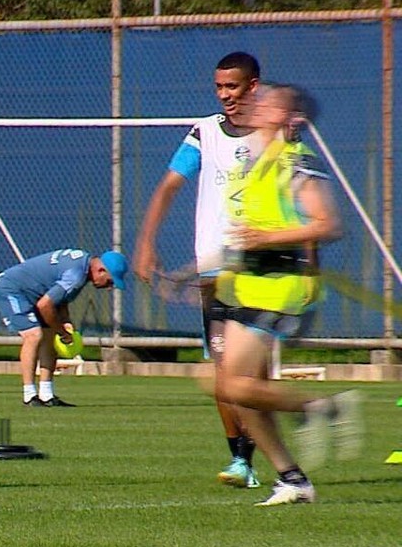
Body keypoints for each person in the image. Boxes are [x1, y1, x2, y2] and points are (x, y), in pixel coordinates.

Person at [211, 84, 358, 507]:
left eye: (271, 102)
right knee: (237, 390)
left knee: (232, 385)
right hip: (248, 283)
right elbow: (249, 231)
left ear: (289, 118)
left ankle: (323, 405)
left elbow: (328, 224)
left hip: (282, 287)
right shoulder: (250, 162)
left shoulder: (296, 161)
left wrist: (266, 239)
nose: (259, 105)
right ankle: (292, 479)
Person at [133, 51, 262, 489]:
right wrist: (146, 242)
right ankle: (241, 461)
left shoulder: (275, 133)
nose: (225, 95)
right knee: (224, 373)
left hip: (261, 272)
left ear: (253, 86)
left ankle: (273, 454)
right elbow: (170, 184)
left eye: (232, 86)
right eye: (219, 87)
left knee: (254, 375)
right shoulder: (203, 132)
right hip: (214, 275)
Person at [0, 249, 129, 407]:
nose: (109, 287)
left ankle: (46, 395)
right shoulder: (76, 275)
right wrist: (62, 332)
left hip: (36, 294)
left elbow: (60, 299)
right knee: (34, 336)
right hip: (11, 289)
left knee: (50, 338)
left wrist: (65, 322)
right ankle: (29, 395)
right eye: (110, 281)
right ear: (101, 270)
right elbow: (45, 305)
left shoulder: (82, 268)